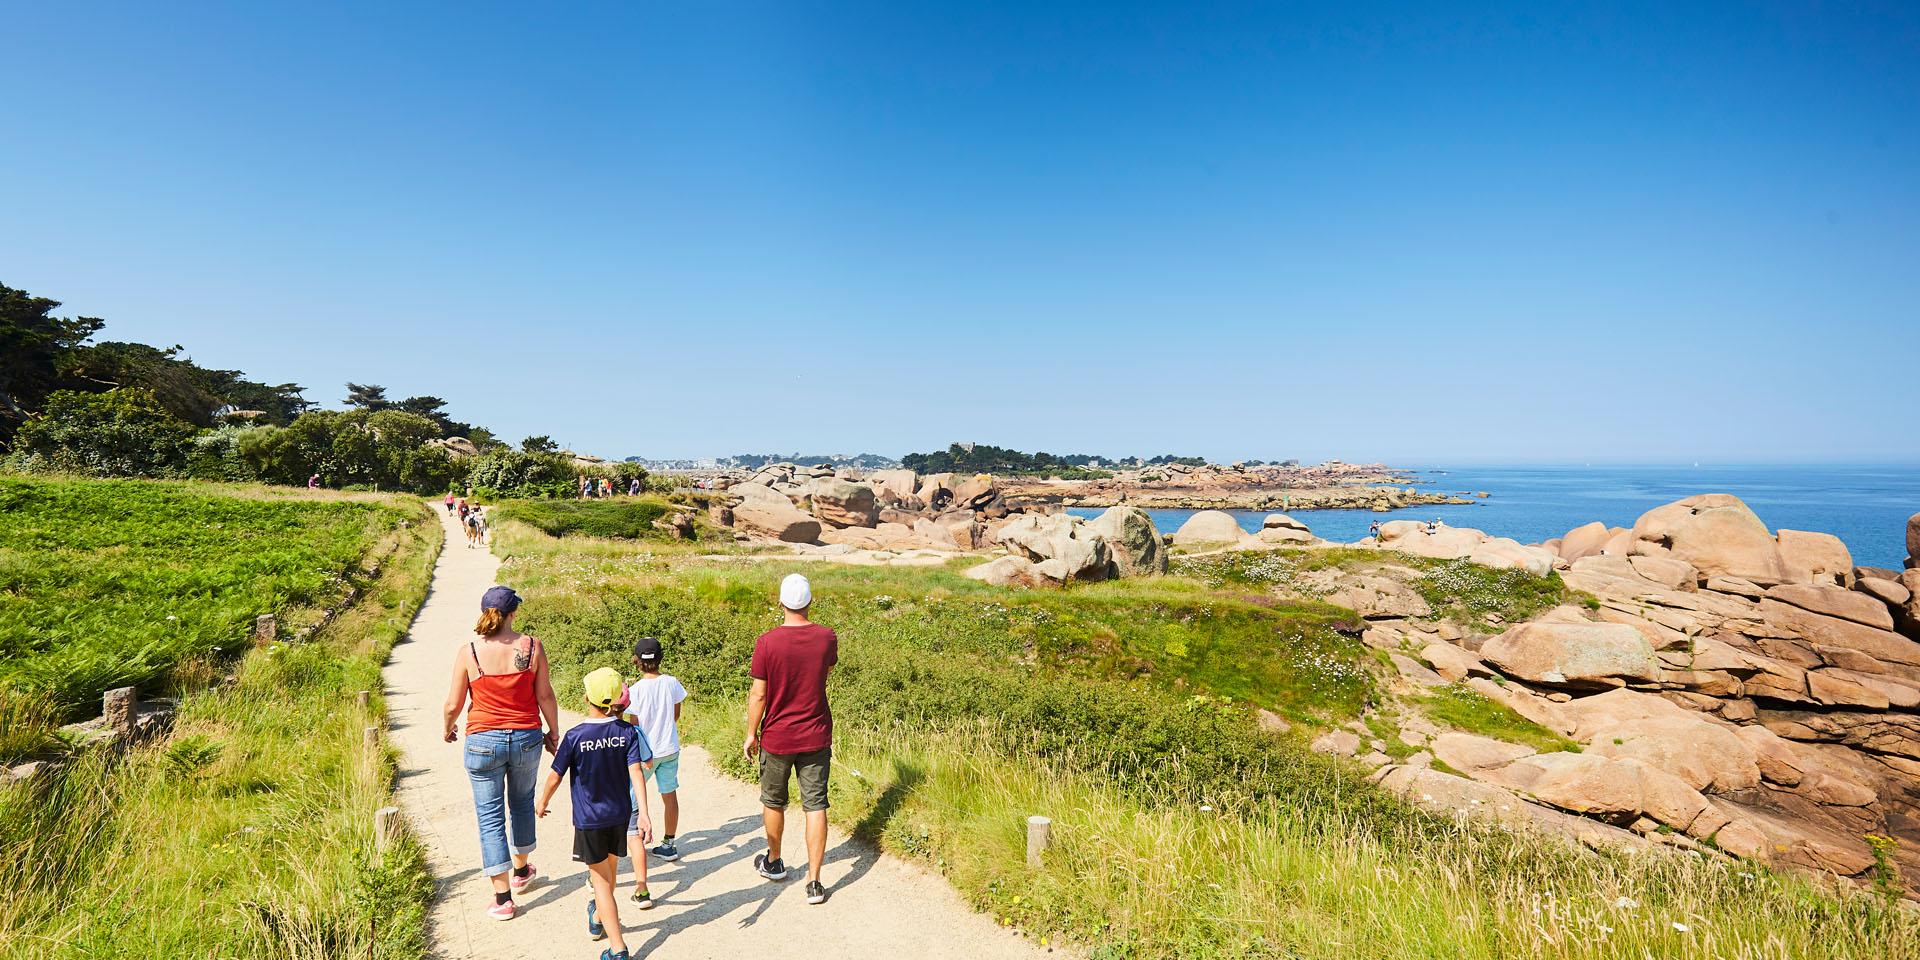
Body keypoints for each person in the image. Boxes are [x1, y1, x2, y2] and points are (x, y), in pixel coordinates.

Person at [443, 586, 560, 921]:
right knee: (522, 803)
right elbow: (546, 696)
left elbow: (454, 703)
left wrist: (447, 727)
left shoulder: (469, 652)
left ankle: (503, 897)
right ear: (513, 614)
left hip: (482, 740)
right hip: (525, 737)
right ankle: (522, 871)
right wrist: (553, 732)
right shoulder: (532, 647)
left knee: (489, 816)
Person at [536, 668, 652, 960]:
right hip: (620, 815)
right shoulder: (626, 732)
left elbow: (554, 776)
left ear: (586, 697)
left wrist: (542, 801)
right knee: (609, 875)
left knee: (601, 884)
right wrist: (645, 814)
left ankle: (618, 949)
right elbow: (636, 772)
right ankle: (599, 919)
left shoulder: (576, 736)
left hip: (590, 820)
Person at [742, 573, 836, 905]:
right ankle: (814, 881)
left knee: (773, 801)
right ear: (810, 602)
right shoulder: (826, 638)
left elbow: (758, 696)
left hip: (778, 736)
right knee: (816, 805)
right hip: (816, 733)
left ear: (779, 602)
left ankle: (775, 861)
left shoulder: (767, 642)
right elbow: (821, 676)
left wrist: (751, 734)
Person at [618, 636, 688, 908]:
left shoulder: (634, 690)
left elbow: (633, 724)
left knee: (633, 797)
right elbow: (675, 715)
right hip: (669, 747)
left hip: (646, 753)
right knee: (669, 793)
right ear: (661, 657)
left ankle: (634, 842)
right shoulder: (671, 682)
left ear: (636, 660)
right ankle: (669, 843)